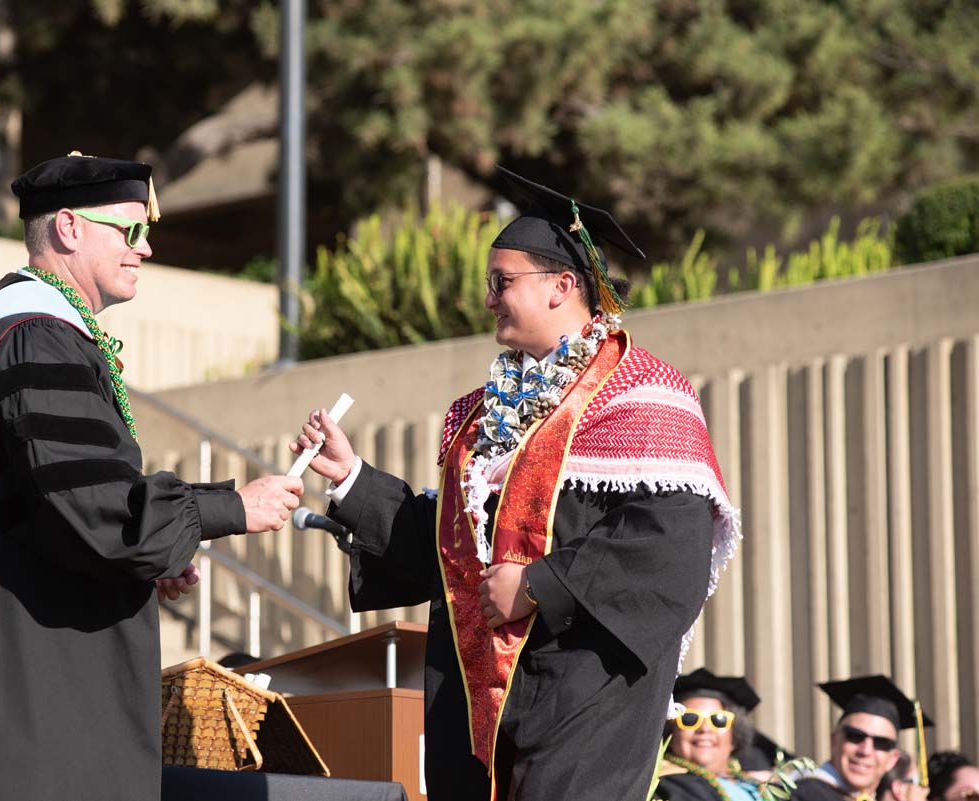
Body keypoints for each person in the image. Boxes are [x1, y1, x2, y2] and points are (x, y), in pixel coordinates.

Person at [0, 153, 304, 801]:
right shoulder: (36, 337)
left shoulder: (9, 332)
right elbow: (100, 504)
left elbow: (46, 513)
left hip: (17, 701)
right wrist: (230, 506)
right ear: (68, 228)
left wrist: (142, 558)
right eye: (130, 231)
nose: (146, 248)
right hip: (26, 721)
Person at [290, 167, 741, 801]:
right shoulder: (479, 416)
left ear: (562, 285)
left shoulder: (644, 398)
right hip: (475, 708)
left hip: (583, 698)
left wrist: (537, 583)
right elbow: (449, 552)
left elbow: (666, 547)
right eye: (488, 284)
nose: (488, 299)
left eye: (502, 282)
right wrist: (351, 480)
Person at [792, 675, 933, 801]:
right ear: (834, 740)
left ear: (892, 759)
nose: (865, 750)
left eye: (881, 743)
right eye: (855, 736)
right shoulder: (802, 794)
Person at [655, 668, 766, 801]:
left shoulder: (755, 783)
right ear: (670, 731)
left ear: (735, 734)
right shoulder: (666, 787)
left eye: (719, 720)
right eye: (690, 719)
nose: (704, 729)